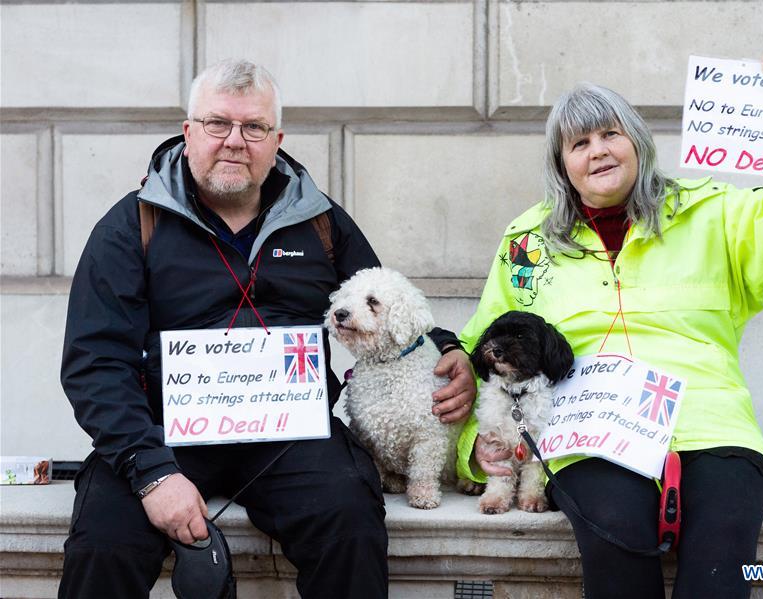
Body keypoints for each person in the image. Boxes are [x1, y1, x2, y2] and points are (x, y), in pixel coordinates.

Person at [58, 59, 475, 599]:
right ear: (188, 133)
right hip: (164, 434)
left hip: (291, 436)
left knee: (350, 520)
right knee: (102, 544)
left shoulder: (319, 220)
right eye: (218, 124)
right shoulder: (132, 224)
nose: (235, 141)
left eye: (253, 127)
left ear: (276, 140)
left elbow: (384, 301)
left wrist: (448, 348)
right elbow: (95, 362)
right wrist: (152, 473)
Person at [456, 48, 763, 598]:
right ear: (561, 164)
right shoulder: (528, 240)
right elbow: (483, 345)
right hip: (591, 432)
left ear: (637, 142)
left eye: (610, 135)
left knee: (720, 569)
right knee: (615, 540)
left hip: (713, 428)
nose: (598, 152)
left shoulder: (713, 211)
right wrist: (475, 442)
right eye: (579, 143)